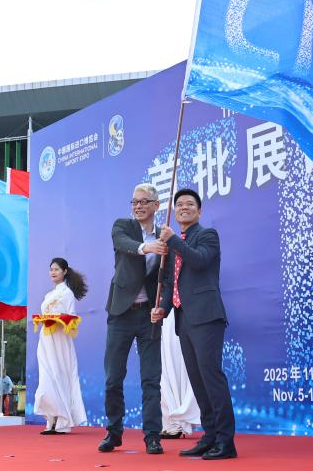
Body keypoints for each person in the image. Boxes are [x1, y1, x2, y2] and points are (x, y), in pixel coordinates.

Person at [153, 188, 237, 460]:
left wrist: (172, 240)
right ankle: (210, 436)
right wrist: (162, 309)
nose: (183, 207)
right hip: (184, 318)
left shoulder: (207, 235)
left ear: (199, 211)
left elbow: (199, 261)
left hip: (207, 316)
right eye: (179, 204)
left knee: (211, 377)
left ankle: (226, 441)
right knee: (198, 381)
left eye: (190, 204)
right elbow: (170, 283)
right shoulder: (174, 243)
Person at [98, 184, 169, 456]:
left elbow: (166, 278)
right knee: (113, 377)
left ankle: (152, 436)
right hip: (121, 313)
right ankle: (114, 432)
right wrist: (146, 247)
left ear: (156, 205)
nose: (138, 206)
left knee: (151, 379)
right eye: (135, 202)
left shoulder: (164, 236)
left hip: (149, 315)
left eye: (144, 201)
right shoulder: (123, 226)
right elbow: (123, 244)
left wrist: (162, 307)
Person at [34, 258, 88, 434]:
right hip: (46, 339)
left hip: (60, 340)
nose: (53, 272)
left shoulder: (67, 293)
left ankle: (63, 422)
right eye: (51, 269)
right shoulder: (49, 295)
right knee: (46, 377)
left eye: (57, 269)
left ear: (64, 271)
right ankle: (50, 420)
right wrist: (44, 319)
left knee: (60, 375)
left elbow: (71, 317)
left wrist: (58, 320)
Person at [159, 308, 201, 439]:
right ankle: (171, 422)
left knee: (181, 366)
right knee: (163, 369)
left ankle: (180, 419)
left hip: (181, 313)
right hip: (159, 314)